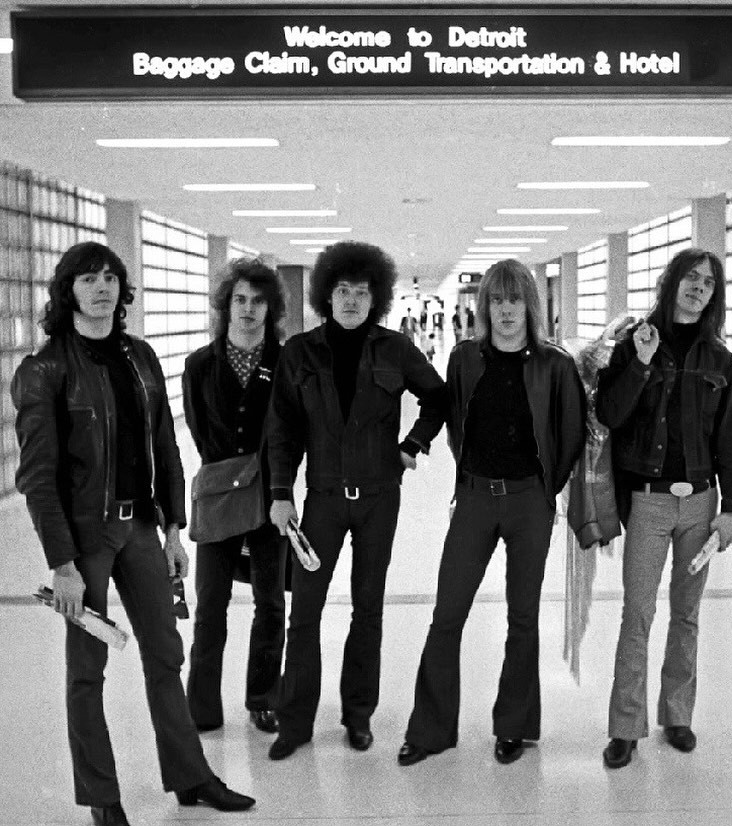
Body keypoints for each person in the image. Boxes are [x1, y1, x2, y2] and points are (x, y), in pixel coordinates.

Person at [11, 242, 254, 826]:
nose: (101, 288)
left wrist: (173, 529)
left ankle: (191, 777)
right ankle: (102, 798)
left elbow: (164, 445)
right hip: (85, 541)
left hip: (141, 527)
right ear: (67, 291)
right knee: (87, 670)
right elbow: (37, 478)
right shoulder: (44, 371)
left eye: (110, 278)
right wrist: (62, 564)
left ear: (122, 289)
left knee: (165, 655)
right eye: (88, 279)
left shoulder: (139, 357)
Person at [398, 259, 587, 767]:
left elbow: (571, 434)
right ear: (485, 308)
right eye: (497, 301)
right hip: (476, 499)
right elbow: (452, 416)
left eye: (515, 300)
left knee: (523, 616)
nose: (506, 310)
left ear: (530, 305)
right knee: (447, 613)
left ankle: (514, 726)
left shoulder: (555, 365)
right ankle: (431, 729)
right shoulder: (464, 359)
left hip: (529, 502)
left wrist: (547, 491)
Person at [266, 240, 447, 760]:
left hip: (378, 500)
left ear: (376, 298)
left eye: (361, 292)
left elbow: (438, 397)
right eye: (342, 291)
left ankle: (358, 715)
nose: (350, 300)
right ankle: (295, 722)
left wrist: (414, 444)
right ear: (327, 295)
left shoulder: (395, 349)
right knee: (305, 612)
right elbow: (282, 429)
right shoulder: (300, 352)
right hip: (321, 502)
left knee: (368, 610)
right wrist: (280, 493)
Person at [595, 248, 732, 769]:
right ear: (672, 281)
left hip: (700, 505)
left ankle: (677, 716)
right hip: (649, 502)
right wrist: (639, 363)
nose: (698, 287)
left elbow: (730, 437)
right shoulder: (636, 343)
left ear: (713, 294)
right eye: (690, 277)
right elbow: (609, 413)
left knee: (687, 614)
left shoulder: (718, 360)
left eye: (708, 282)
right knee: (637, 613)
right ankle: (625, 727)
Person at [182, 257, 288, 735]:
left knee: (271, 603)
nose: (248, 309)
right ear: (226, 306)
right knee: (210, 605)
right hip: (218, 498)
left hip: (269, 497)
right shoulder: (199, 366)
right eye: (240, 300)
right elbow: (200, 431)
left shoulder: (285, 363)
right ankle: (202, 706)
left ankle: (263, 698)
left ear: (270, 309)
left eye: (258, 301)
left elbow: (292, 430)